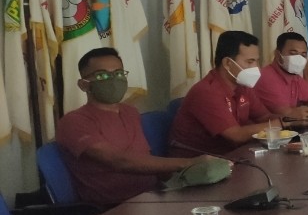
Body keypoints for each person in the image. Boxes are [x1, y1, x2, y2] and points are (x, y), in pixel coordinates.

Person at [55, 48, 212, 206]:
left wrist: (184, 180)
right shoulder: (74, 121)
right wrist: (187, 163)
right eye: (102, 75)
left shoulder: (130, 112)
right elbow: (119, 161)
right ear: (83, 85)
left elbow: (145, 159)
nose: (114, 80)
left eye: (119, 74)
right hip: (113, 208)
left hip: (154, 197)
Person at [170, 31, 282, 157]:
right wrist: (281, 124)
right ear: (228, 63)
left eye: (257, 61)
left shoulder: (243, 85)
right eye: (250, 62)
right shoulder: (206, 91)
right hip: (199, 164)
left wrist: (291, 120)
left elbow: (264, 116)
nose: (257, 67)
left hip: (232, 156)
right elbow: (236, 135)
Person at [252, 33, 308, 120]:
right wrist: (300, 111)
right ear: (278, 54)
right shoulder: (266, 77)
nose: (299, 59)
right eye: (293, 53)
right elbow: (286, 114)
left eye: (303, 55)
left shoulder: (294, 76)